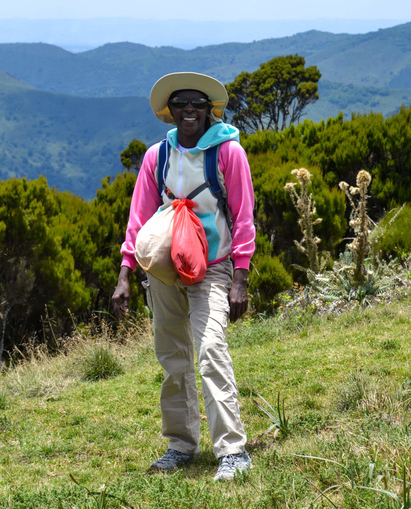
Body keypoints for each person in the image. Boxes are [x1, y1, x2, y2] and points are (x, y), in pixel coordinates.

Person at [111, 72, 256, 481]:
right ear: (169, 111)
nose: (189, 110)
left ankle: (232, 451)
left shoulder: (228, 153)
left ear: (210, 109)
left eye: (197, 103)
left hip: (213, 267)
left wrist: (240, 279)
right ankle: (181, 444)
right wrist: (125, 274)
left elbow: (244, 219)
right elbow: (137, 219)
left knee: (210, 349)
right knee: (172, 356)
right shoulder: (158, 156)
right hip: (164, 269)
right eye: (180, 103)